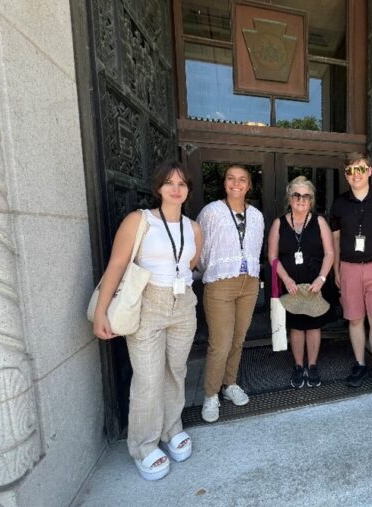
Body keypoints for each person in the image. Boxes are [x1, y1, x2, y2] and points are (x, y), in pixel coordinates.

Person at [93, 160, 203, 480]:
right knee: (148, 377)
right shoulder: (139, 221)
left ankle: (172, 428)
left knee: (175, 370)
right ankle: (143, 444)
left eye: (182, 184)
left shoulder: (193, 227)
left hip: (183, 304)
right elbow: (116, 265)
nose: (176, 188)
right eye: (169, 183)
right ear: (158, 188)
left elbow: (191, 263)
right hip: (148, 304)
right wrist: (101, 312)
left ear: (188, 191)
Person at [196, 165, 264, 423]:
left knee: (238, 339)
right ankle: (211, 394)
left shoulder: (257, 215)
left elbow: (255, 247)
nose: (236, 184)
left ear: (249, 185)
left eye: (242, 180)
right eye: (231, 179)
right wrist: (211, 269)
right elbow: (201, 250)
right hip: (220, 282)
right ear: (224, 183)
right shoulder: (211, 212)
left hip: (248, 283)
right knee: (220, 343)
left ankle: (230, 384)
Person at [329, 152, 372, 391]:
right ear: (346, 176)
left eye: (360, 169)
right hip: (349, 267)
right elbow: (336, 241)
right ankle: (360, 364)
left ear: (369, 171)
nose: (355, 175)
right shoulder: (339, 203)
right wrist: (337, 269)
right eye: (350, 171)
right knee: (355, 318)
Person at [267, 176, 335, 388]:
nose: (301, 199)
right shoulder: (279, 223)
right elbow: (272, 256)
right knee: (296, 327)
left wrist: (322, 279)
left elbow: (330, 253)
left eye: (306, 196)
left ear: (312, 200)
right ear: (289, 197)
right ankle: (298, 365)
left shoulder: (320, 221)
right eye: (297, 195)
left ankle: (312, 365)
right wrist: (285, 278)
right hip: (292, 285)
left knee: (314, 326)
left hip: (315, 284)